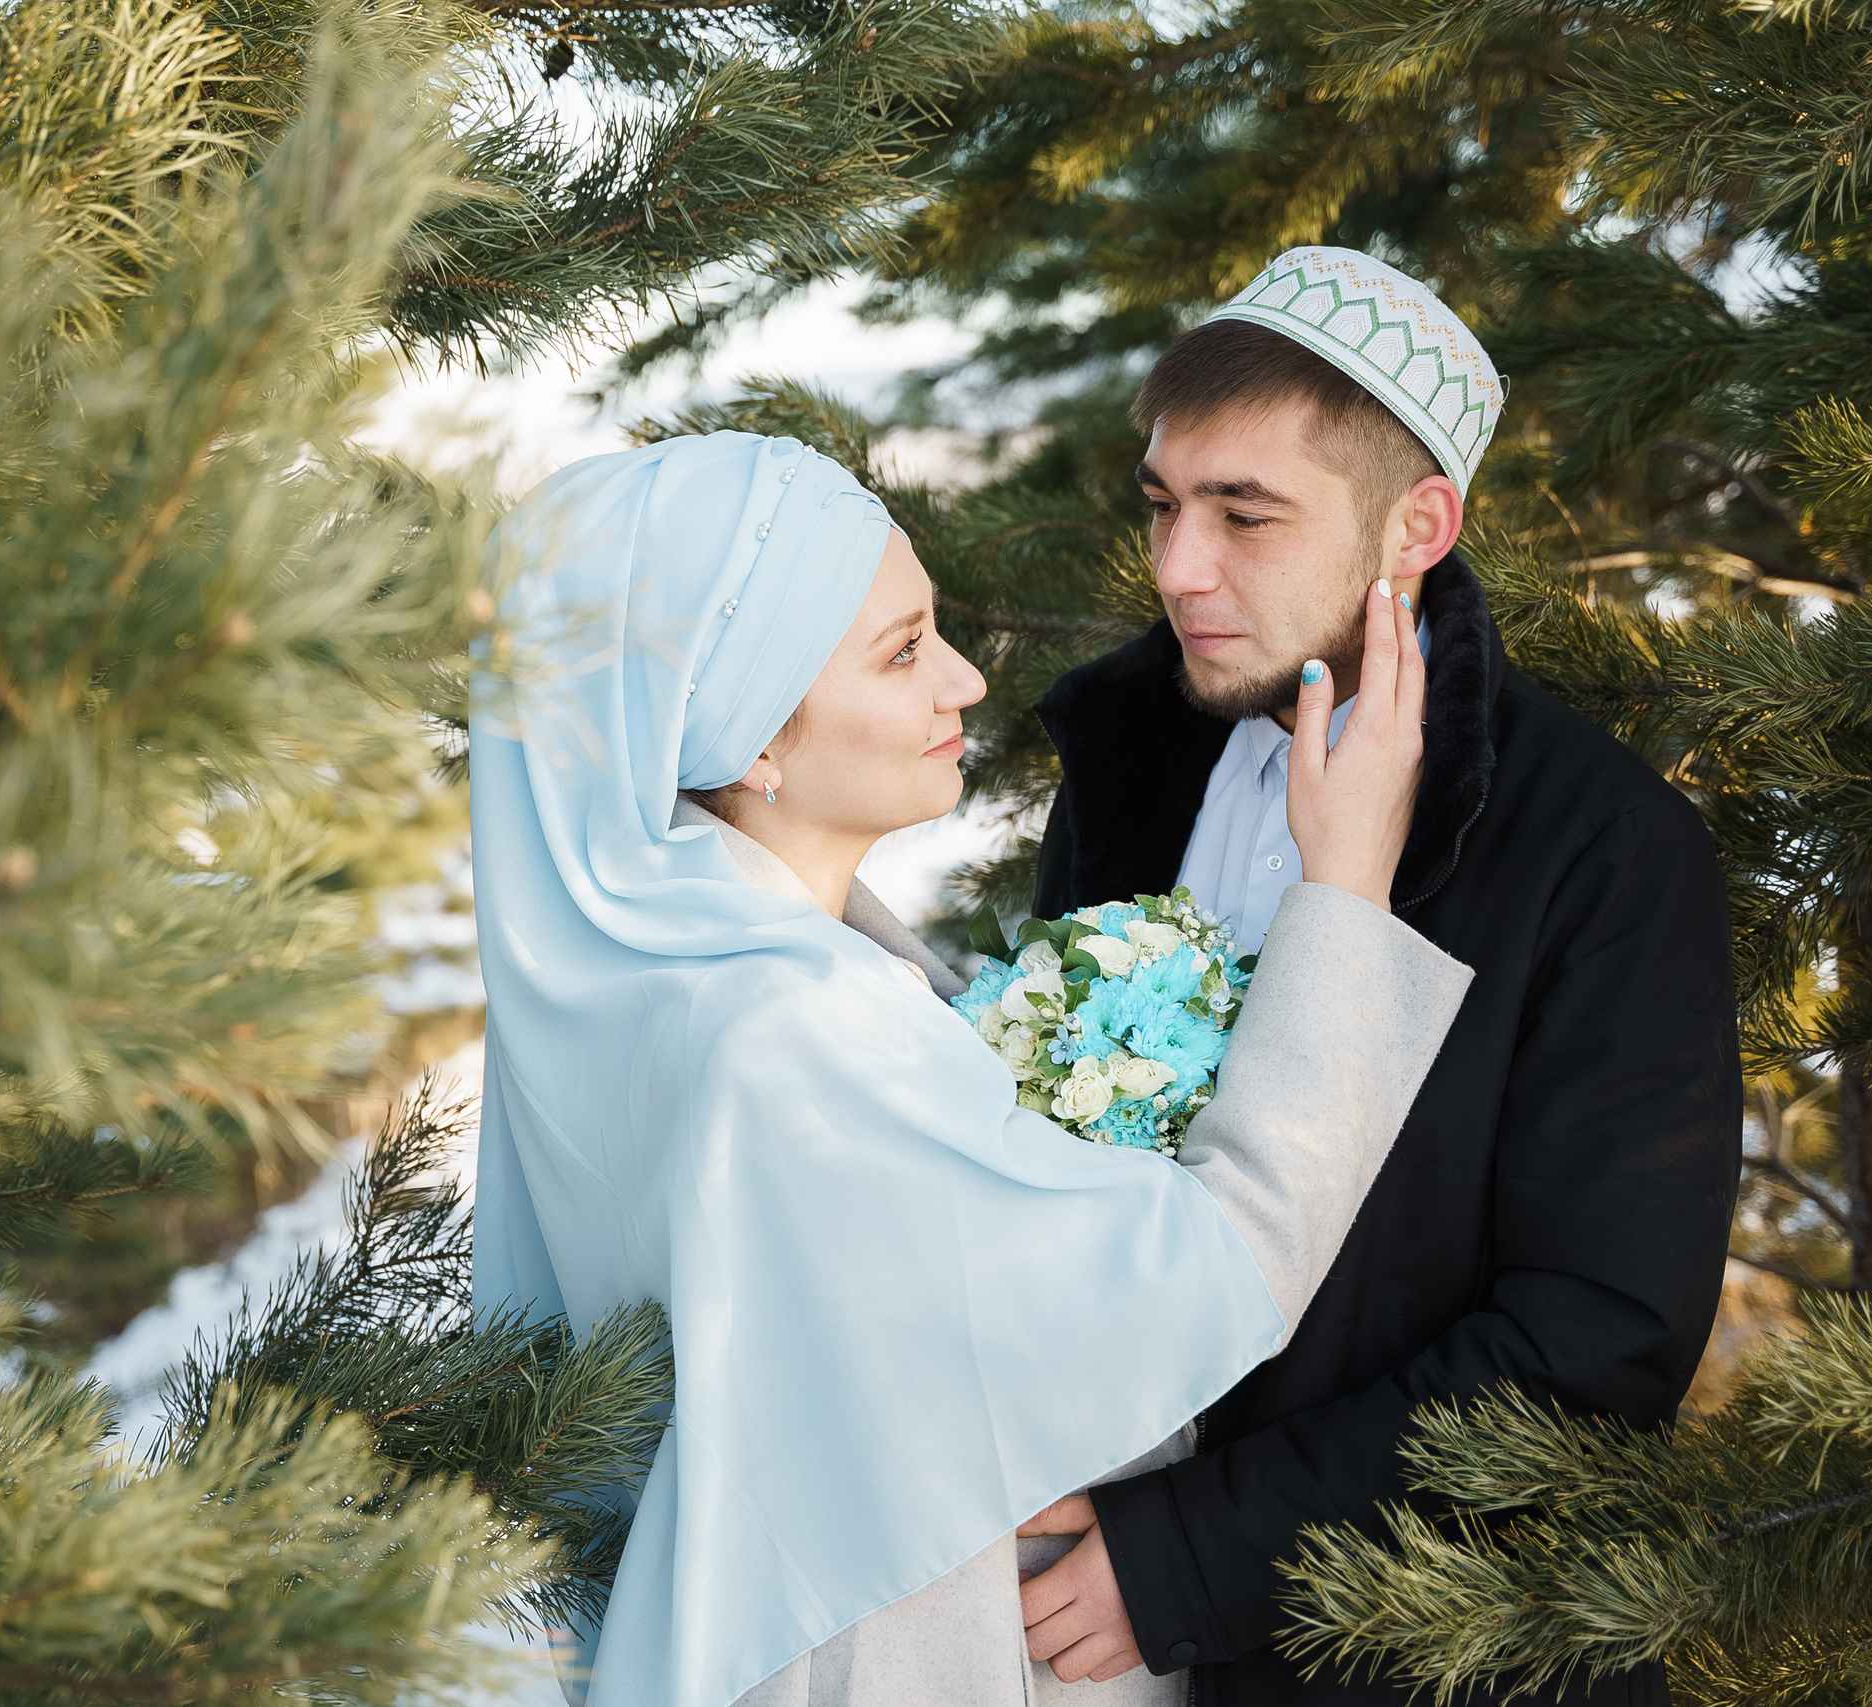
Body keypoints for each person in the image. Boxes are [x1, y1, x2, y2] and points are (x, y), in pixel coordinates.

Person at [468, 427, 1474, 1707]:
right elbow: (1204, 1271)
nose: (962, 682)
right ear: (739, 733)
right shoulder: (792, 1039)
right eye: (899, 653)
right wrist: (1344, 890)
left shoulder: (639, 978)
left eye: (933, 628)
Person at [1026, 246, 1744, 1706]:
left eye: (1247, 513)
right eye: (1164, 504)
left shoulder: (1602, 848)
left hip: (1430, 1667)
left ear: (1418, 523)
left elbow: (1595, 1345)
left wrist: (1189, 1555)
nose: (1176, 566)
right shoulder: (1127, 776)